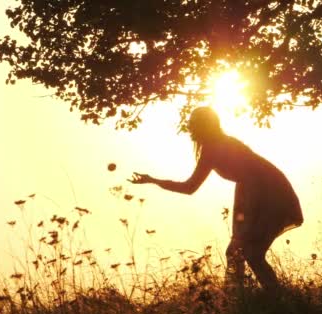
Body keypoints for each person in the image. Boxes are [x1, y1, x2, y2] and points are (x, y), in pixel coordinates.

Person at [129, 107, 303, 292]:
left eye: (194, 124)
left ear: (203, 126)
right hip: (259, 191)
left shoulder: (213, 148)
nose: (190, 128)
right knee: (245, 253)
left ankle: (259, 298)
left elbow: (190, 187)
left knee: (247, 253)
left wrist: (154, 181)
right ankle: (259, 297)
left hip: (267, 193)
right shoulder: (219, 144)